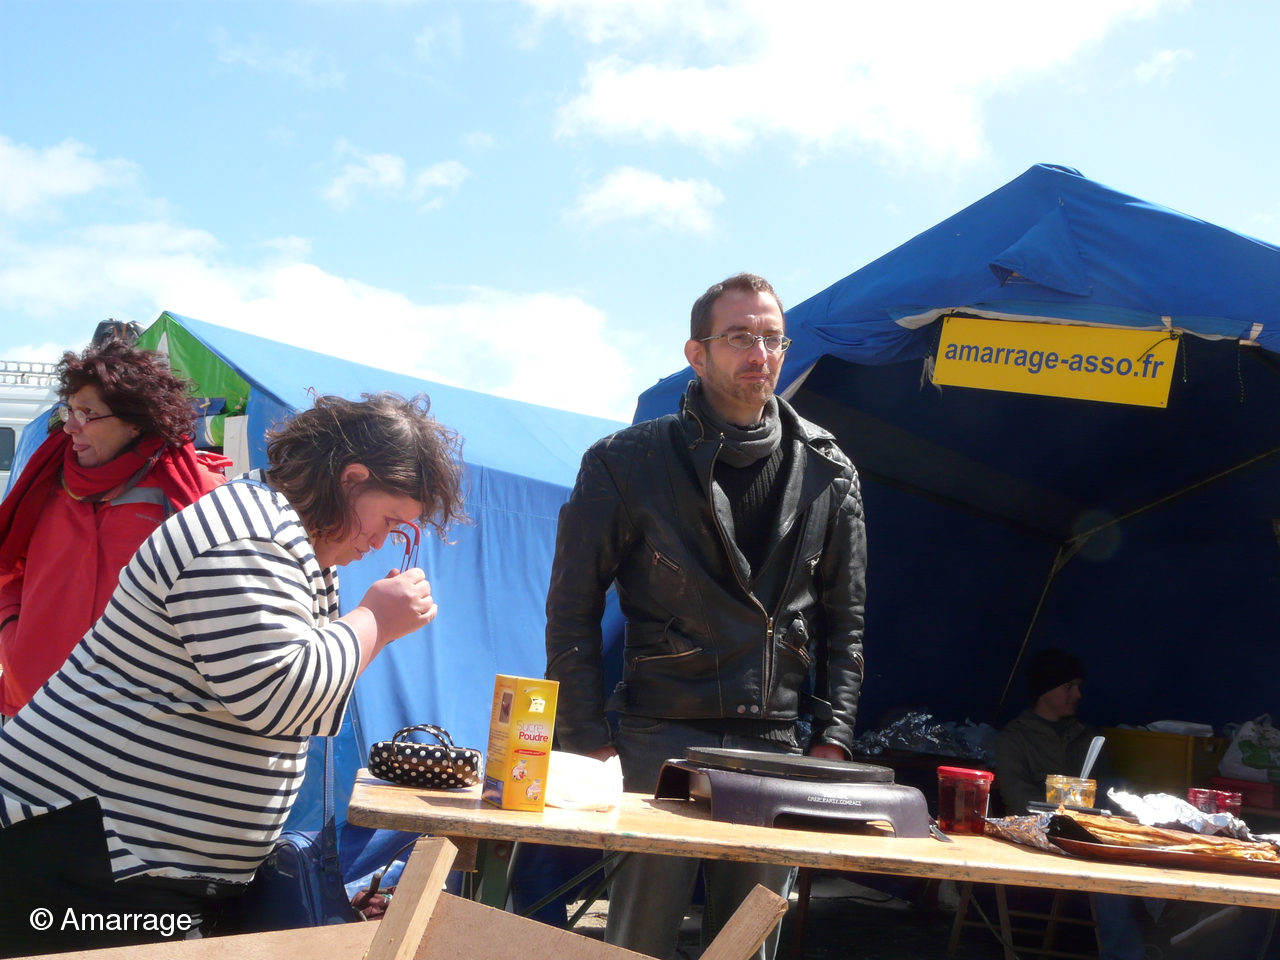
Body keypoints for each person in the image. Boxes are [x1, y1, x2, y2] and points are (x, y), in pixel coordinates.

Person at [0, 392, 466, 956]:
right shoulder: (247, 535)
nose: (380, 542)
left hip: (123, 862)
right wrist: (377, 619)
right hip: (84, 852)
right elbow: (280, 695)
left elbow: (299, 697)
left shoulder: (282, 539)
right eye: (389, 521)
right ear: (351, 479)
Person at [546, 273, 867, 960]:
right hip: (659, 736)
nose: (761, 353)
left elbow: (846, 617)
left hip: (774, 743)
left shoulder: (828, 467)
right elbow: (571, 610)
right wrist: (588, 740)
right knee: (636, 945)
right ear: (697, 353)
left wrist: (834, 737)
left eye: (774, 339)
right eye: (740, 337)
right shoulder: (626, 460)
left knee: (748, 945)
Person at [0, 337, 230, 717]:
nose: (69, 427)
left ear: (135, 421)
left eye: (87, 413)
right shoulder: (44, 482)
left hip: (135, 719)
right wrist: (12, 635)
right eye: (68, 410)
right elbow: (11, 570)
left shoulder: (190, 490)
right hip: (32, 703)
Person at [995, 648, 1146, 960]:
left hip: (1090, 830)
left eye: (1078, 686)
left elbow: (1107, 794)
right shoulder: (1015, 737)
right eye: (1069, 686)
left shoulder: (1088, 736)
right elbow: (1019, 801)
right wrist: (1069, 806)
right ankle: (1129, 950)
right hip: (1039, 833)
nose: (1077, 694)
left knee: (1131, 818)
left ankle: (1173, 912)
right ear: (1045, 689)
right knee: (1105, 862)